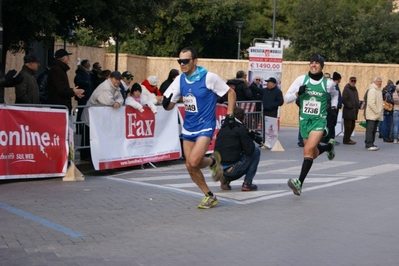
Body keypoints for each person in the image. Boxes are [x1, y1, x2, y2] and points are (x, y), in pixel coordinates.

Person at [162, 47, 236, 209]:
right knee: (190, 165)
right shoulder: (179, 80)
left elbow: (230, 93)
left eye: (185, 61)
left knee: (194, 160)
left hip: (205, 125)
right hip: (188, 127)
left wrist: (230, 115)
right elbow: (169, 105)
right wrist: (166, 104)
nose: (182, 64)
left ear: (195, 61)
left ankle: (212, 162)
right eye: (179, 61)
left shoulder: (209, 78)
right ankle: (209, 194)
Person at [284, 54, 338, 196]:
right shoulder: (301, 80)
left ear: (321, 66)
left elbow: (336, 94)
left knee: (307, 150)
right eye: (311, 62)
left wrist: (333, 107)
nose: (313, 65)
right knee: (312, 154)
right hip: (304, 121)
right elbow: (286, 99)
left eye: (317, 63)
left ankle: (299, 182)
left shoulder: (328, 83)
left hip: (319, 120)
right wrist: (297, 94)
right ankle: (327, 147)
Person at [215, 106, 261, 191]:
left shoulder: (223, 128)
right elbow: (250, 150)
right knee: (256, 151)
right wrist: (249, 136)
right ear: (243, 118)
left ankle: (226, 179)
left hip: (218, 167)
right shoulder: (240, 129)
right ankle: (247, 183)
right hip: (232, 169)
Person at [47, 48, 85, 113]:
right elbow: (61, 89)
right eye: (68, 57)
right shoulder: (57, 70)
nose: (69, 59)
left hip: (61, 106)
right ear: (63, 58)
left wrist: (72, 90)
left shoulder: (60, 69)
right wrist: (73, 92)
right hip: (59, 107)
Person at [322, 71, 342, 144]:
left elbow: (338, 96)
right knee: (330, 124)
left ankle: (329, 138)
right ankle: (328, 138)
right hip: (329, 108)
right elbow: (329, 97)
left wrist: (338, 105)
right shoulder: (329, 86)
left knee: (332, 124)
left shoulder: (334, 85)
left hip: (334, 108)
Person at [364, 77, 383, 151]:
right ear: (375, 82)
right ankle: (369, 143)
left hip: (376, 114)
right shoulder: (372, 90)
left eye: (381, 82)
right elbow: (371, 103)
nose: (380, 83)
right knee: (370, 129)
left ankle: (371, 142)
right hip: (372, 113)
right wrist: (377, 111)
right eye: (378, 81)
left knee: (374, 129)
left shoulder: (378, 90)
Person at [341, 76, 359, 144]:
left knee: (352, 126)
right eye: (352, 81)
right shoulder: (346, 89)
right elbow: (344, 99)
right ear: (349, 81)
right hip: (348, 111)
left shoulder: (355, 89)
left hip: (354, 111)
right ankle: (346, 139)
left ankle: (348, 138)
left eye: (354, 81)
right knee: (348, 127)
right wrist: (350, 106)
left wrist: (357, 105)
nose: (353, 82)